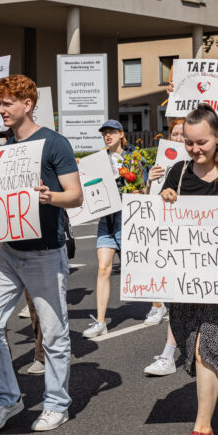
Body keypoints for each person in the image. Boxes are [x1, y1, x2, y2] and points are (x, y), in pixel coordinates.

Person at [0, 74, 83, 434]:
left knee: (53, 334)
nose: (1, 109)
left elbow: (75, 195)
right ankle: (8, 400)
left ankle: (56, 405)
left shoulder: (54, 144)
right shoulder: (1, 145)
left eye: (7, 103)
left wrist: (48, 197)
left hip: (45, 253)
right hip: (9, 251)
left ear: (28, 104)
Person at [156, 105, 218, 435]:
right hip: (186, 277)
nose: (195, 149)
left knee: (205, 346)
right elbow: (161, 222)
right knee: (194, 342)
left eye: (202, 143)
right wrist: (164, 198)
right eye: (189, 143)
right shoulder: (178, 173)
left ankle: (203, 429)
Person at [84, 120, 147, 338]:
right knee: (103, 268)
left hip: (128, 218)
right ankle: (100, 321)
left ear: (121, 133)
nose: (107, 136)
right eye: (104, 133)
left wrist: (137, 191)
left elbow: (142, 186)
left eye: (111, 132)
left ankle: (158, 305)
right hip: (106, 219)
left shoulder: (133, 157)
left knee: (139, 266)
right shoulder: (100, 159)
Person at [142, 118, 186, 377]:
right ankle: (169, 354)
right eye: (176, 134)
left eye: (184, 134)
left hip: (195, 235)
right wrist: (151, 182)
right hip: (170, 233)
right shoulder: (163, 163)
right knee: (179, 297)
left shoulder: (196, 165)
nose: (179, 139)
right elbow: (150, 202)